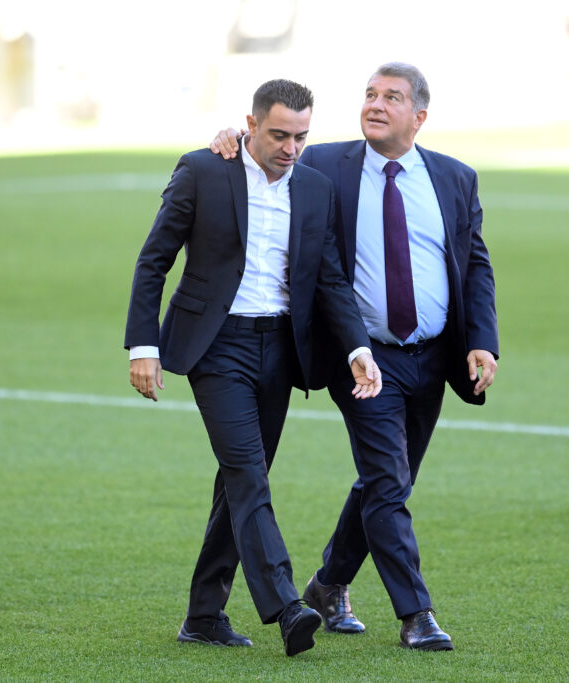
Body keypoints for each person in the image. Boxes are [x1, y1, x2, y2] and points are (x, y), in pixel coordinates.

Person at [211, 62, 499, 651]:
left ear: (419, 116)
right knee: (386, 482)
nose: (375, 104)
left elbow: (474, 264)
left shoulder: (454, 178)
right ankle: (416, 614)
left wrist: (481, 340)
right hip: (360, 356)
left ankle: (329, 583)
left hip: (433, 356)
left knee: (388, 483)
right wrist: (229, 139)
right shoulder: (320, 164)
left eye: (392, 97)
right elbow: (264, 151)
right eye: (369, 94)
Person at [125, 78, 383, 657]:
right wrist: (143, 346)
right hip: (216, 346)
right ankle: (288, 604)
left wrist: (357, 347)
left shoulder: (314, 188)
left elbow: (333, 279)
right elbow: (153, 261)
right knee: (249, 475)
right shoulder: (203, 171)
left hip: (281, 349)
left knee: (240, 480)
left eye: (301, 136)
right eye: (278, 135)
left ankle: (204, 615)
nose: (291, 147)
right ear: (249, 124)